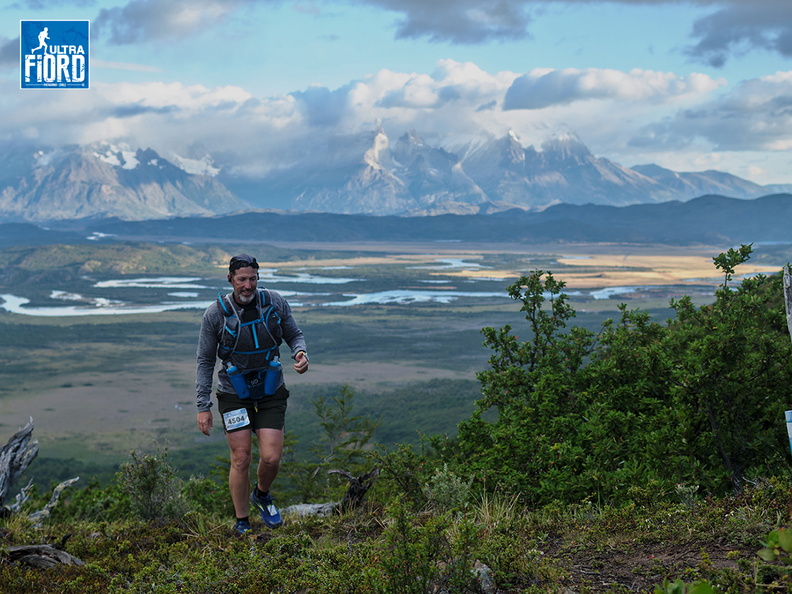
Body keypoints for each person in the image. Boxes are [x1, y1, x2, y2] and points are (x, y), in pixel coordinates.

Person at [196, 253, 309, 534]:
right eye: (242, 279)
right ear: (230, 279)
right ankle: (242, 521)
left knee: (270, 458)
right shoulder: (215, 314)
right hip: (233, 392)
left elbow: (294, 334)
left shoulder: (274, 302)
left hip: (270, 389)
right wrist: (203, 405)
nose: (248, 285)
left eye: (253, 279)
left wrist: (300, 352)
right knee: (241, 458)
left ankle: (261, 493)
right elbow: (205, 360)